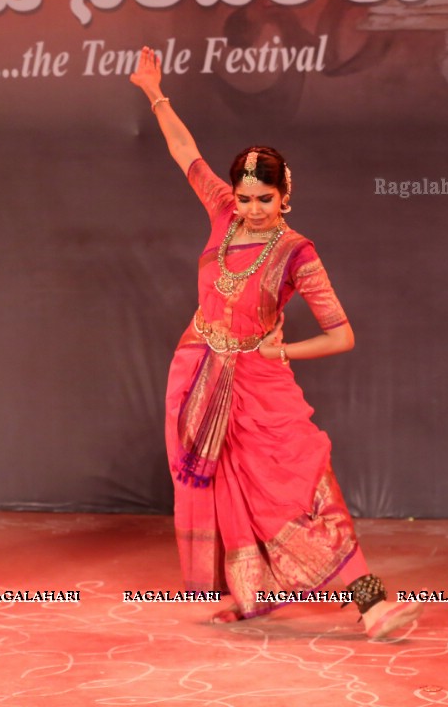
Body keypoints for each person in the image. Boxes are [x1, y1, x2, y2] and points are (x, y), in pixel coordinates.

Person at [129, 48, 421, 638]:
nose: (253, 209)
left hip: (261, 383)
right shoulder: (221, 215)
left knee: (297, 483)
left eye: (265, 199)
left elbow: (342, 334)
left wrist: (281, 352)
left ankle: (370, 602)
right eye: (244, 197)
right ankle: (250, 593)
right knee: (225, 486)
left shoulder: (298, 253)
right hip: (199, 368)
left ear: (285, 195)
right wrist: (154, 93)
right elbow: (186, 152)